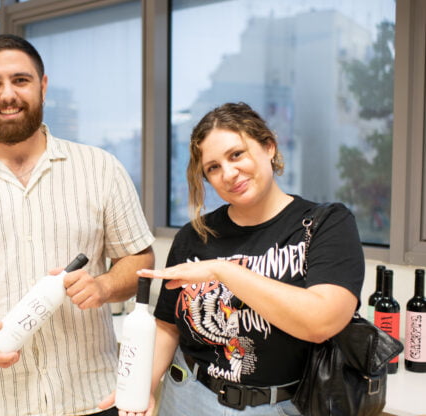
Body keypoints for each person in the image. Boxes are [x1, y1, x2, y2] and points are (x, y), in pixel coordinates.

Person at [0, 34, 155, 416]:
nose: (8, 94)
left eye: (20, 80)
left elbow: (140, 260)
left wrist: (103, 286)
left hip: (90, 398)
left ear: (43, 86)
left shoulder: (101, 169)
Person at [105, 102, 365, 416]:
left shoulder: (325, 224)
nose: (228, 174)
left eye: (236, 154)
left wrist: (222, 271)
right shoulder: (194, 236)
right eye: (213, 168)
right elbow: (168, 327)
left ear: (269, 146)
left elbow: (322, 321)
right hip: (188, 395)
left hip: (279, 405)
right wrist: (143, 385)